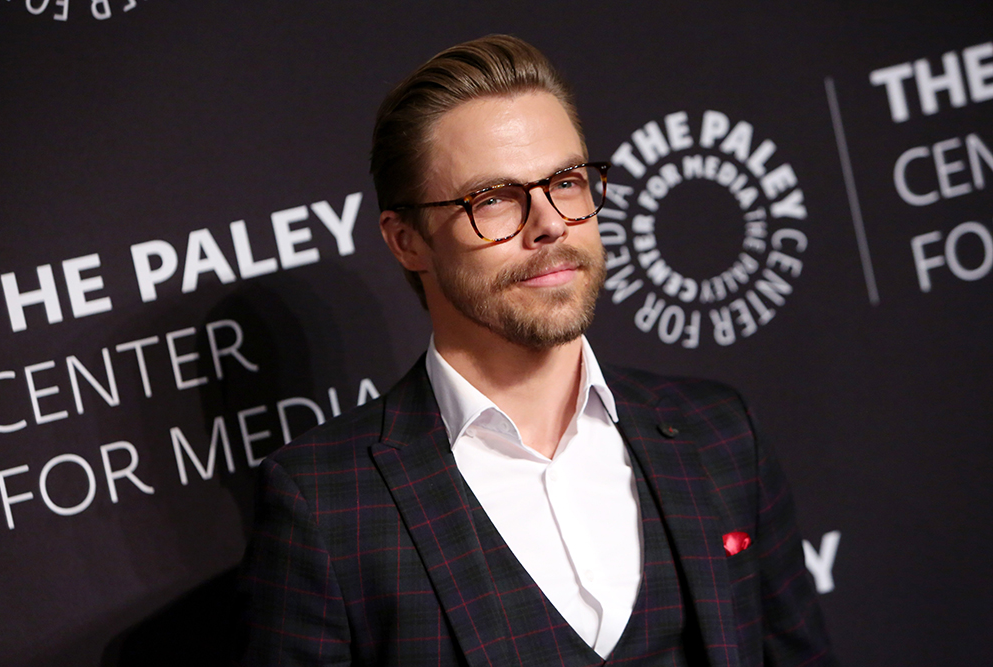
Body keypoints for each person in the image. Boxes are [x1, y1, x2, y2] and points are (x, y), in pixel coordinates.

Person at [235, 34, 834, 666]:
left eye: (567, 182)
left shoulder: (719, 434)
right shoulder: (327, 508)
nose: (548, 223)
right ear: (407, 241)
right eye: (492, 200)